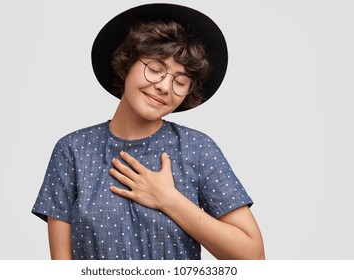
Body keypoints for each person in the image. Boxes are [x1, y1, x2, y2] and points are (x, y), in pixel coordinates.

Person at [32, 3, 265, 260]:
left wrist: (169, 199)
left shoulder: (197, 148)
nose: (165, 86)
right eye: (155, 69)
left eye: (180, 81)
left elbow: (253, 257)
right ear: (127, 64)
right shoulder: (72, 150)